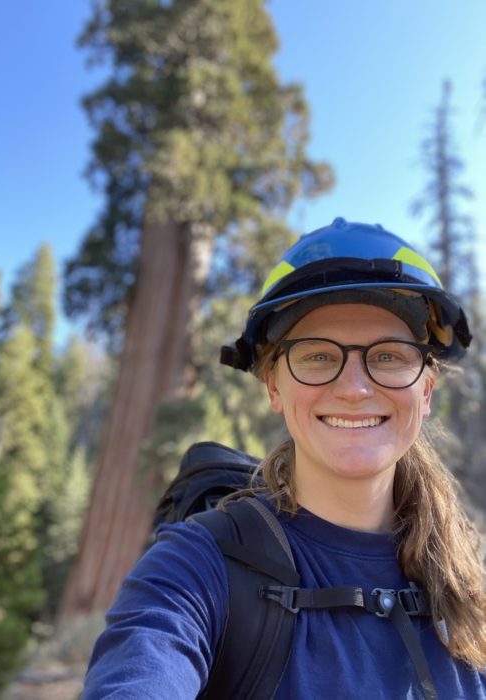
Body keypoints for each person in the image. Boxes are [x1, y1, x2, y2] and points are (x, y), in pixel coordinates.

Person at [82, 218, 486, 699]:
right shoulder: (196, 566)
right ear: (274, 386)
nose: (354, 388)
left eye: (388, 356)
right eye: (317, 356)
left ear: (427, 389)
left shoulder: (471, 579)